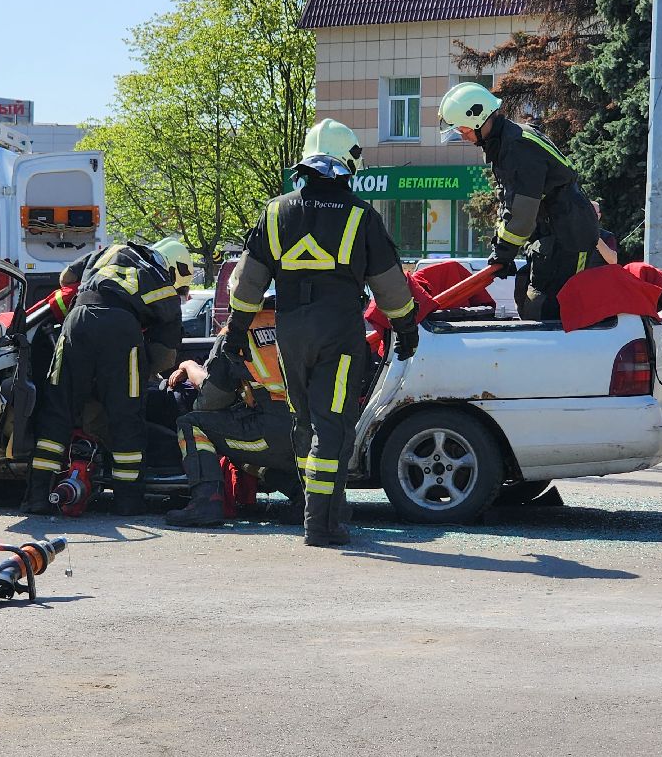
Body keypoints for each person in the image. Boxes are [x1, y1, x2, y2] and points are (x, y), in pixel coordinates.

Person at [224, 119, 418, 547]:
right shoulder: (360, 215)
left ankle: (312, 508)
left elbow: (246, 284)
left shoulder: (276, 211)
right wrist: (405, 328)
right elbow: (390, 285)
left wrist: (236, 332)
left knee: (304, 420)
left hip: (290, 329)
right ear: (347, 161)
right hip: (338, 329)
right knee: (333, 425)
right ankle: (322, 522)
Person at [23, 237, 190, 516]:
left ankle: (37, 497)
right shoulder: (163, 286)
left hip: (77, 321)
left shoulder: (110, 250)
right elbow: (164, 358)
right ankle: (128, 503)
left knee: (58, 411)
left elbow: (66, 277)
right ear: (174, 270)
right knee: (127, 418)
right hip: (122, 331)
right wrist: (137, 374)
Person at [438, 83, 600, 320]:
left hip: (570, 237)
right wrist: (500, 248)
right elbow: (508, 204)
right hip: (551, 236)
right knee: (525, 292)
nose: (463, 136)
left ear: (479, 119)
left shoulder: (517, 148)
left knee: (549, 309)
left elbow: (521, 215)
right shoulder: (503, 144)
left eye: (463, 129)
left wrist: (504, 252)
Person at [163, 299, 302, 528]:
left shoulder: (237, 331)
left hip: (271, 433)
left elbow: (211, 399)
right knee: (242, 450)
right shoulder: (298, 325)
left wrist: (188, 366)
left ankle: (206, 502)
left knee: (192, 424)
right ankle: (305, 497)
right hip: (308, 434)